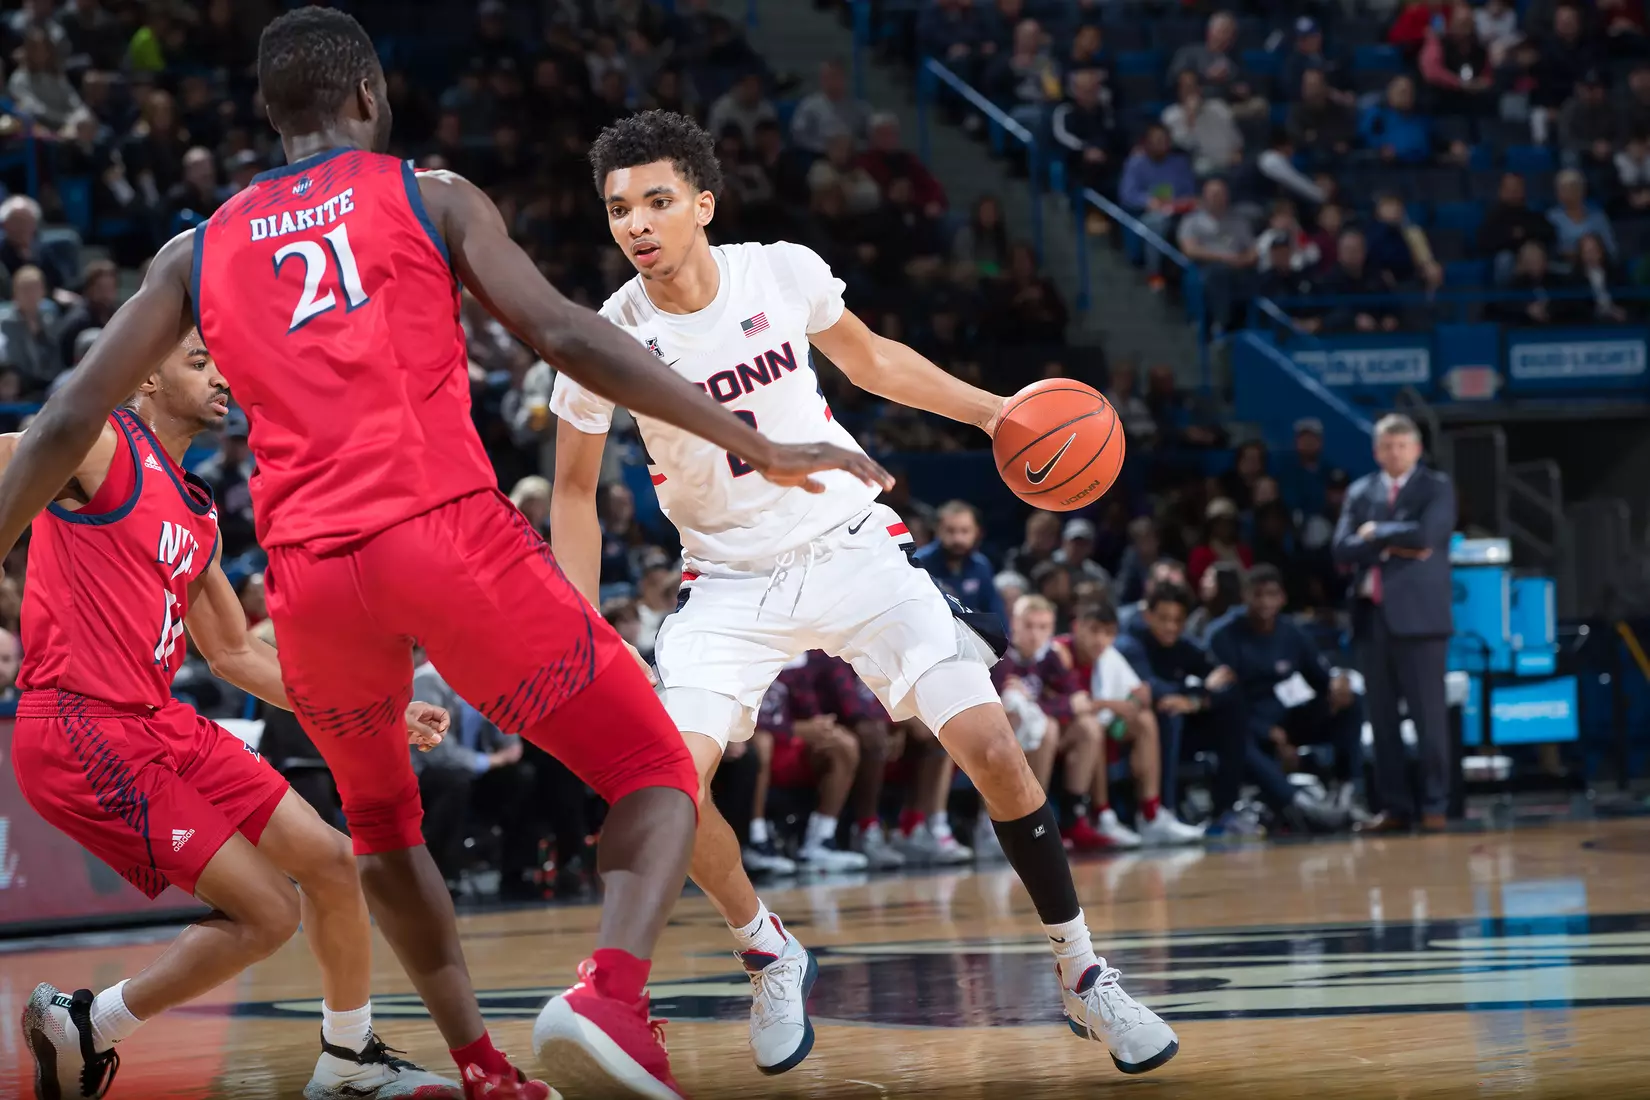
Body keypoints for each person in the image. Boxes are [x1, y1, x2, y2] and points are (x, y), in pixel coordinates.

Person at [0, 11, 888, 1100]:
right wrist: (751, 436)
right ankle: (609, 994)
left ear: (270, 113)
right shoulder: (431, 194)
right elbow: (562, 332)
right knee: (654, 765)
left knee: (378, 827)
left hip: (312, 581)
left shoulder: (196, 251)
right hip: (442, 536)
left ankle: (478, 1062)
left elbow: (54, 425)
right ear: (370, 96)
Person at [551, 109, 1179, 1081]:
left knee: (993, 742)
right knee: (669, 780)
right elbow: (574, 490)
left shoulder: (780, 270)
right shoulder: (603, 336)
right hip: (725, 577)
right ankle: (767, 946)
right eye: (618, 207)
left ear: (703, 205)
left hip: (849, 544)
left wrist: (996, 412)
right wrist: (581, 626)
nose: (636, 222)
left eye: (657, 200)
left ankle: (1082, 967)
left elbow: (875, 359)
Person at [10, 332, 460, 1100]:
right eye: (198, 361)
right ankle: (93, 1025)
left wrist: (379, 712)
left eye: (224, 363)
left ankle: (348, 1060)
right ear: (145, 374)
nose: (223, 377)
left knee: (331, 863)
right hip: (81, 727)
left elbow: (237, 657)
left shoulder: (195, 508)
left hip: (159, 721)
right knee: (268, 912)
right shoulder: (95, 443)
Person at [1332, 414, 1456, 834]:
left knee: (1429, 720)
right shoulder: (1360, 490)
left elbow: (1425, 537)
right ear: (1375, 450)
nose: (1395, 453)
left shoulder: (1436, 487)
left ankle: (1436, 803)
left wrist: (1376, 535)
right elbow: (1341, 549)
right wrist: (1393, 544)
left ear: (1417, 449)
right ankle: (1394, 806)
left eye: (1402, 445)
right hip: (1371, 618)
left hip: (1421, 621)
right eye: (1387, 446)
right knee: (1382, 721)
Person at [1209, 565, 1364, 818]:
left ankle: (1347, 789)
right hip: (1242, 722)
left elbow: (1320, 678)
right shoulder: (1223, 635)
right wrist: (1268, 732)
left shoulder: (1291, 632)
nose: (1264, 602)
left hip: (1282, 717)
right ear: (1245, 597)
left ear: (1282, 598)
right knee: (1235, 734)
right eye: (1257, 595)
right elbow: (1224, 697)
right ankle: (1299, 803)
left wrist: (1337, 684)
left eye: (1271, 595)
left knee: (1350, 703)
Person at [1057, 603, 1204, 845]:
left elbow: (1141, 693)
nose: (1100, 640)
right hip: (1066, 732)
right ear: (1077, 627)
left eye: (1107, 633)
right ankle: (1101, 815)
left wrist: (1129, 705)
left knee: (1144, 720)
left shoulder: (1109, 655)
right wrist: (1109, 705)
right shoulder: (1061, 652)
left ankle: (1150, 813)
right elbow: (1070, 707)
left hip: (1097, 727)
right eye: (1093, 631)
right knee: (1093, 726)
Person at [996, 595, 1135, 850]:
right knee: (1047, 728)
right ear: (1013, 623)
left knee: (1088, 727)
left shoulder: (1049, 656)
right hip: (1000, 741)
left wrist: (1044, 706)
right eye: (1029, 626)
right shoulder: (1000, 657)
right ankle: (1029, 823)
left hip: (1035, 737)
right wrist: (1054, 707)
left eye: (1043, 627)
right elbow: (1001, 710)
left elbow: (1078, 698)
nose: (1035, 634)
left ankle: (1074, 819)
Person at [914, 499, 1007, 621]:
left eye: (965, 531)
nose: (958, 538)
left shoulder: (981, 566)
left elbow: (995, 614)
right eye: (950, 531)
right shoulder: (920, 564)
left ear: (977, 532)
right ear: (937, 531)